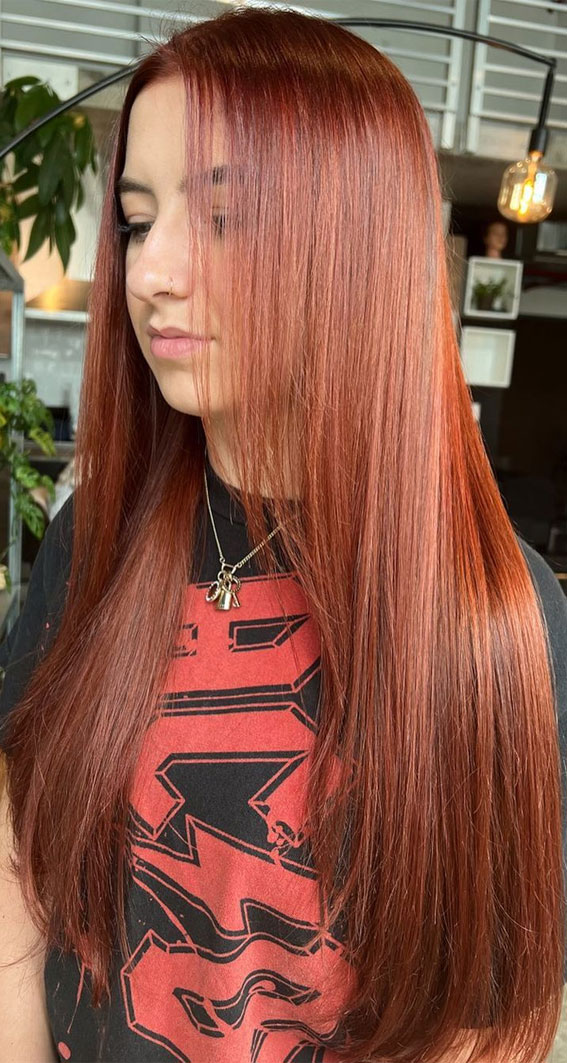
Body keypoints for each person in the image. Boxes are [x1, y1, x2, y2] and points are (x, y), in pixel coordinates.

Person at [0, 8, 566, 1063]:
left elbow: (479, 1023)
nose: (150, 271)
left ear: (355, 247)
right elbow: (17, 849)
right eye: (137, 220)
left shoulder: (495, 616)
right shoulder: (94, 539)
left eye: (222, 218)